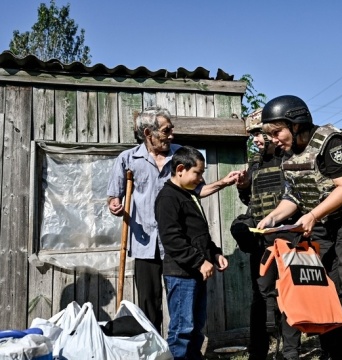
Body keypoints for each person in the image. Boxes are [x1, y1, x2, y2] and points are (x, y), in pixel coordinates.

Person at [257, 95, 342, 360]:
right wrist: (273, 218)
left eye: (277, 132)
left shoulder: (331, 143)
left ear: (296, 124)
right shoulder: (286, 154)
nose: (274, 139)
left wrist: (312, 215)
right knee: (322, 287)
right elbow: (294, 197)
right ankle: (335, 352)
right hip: (322, 223)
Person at [107, 106, 240, 333]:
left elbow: (198, 189)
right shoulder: (128, 159)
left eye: (171, 130)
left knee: (182, 304)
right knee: (149, 304)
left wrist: (223, 183)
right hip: (145, 244)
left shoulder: (180, 155)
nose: (171, 135)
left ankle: (179, 349)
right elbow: (113, 197)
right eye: (166, 131)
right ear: (149, 133)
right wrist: (114, 205)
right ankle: (153, 349)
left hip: (178, 245)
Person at [233, 108, 303, 360]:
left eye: (259, 133)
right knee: (260, 296)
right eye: (252, 134)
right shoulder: (254, 165)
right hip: (262, 241)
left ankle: (291, 352)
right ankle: (258, 352)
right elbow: (251, 201)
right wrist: (243, 187)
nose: (256, 139)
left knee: (290, 293)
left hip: (288, 238)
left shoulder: (290, 159)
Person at [154, 146, 229, 360]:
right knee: (182, 330)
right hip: (181, 274)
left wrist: (214, 254)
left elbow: (199, 234)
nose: (201, 178)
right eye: (198, 172)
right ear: (180, 169)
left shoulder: (188, 195)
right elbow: (172, 240)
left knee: (196, 327)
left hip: (196, 272)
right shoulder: (168, 197)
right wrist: (199, 261)